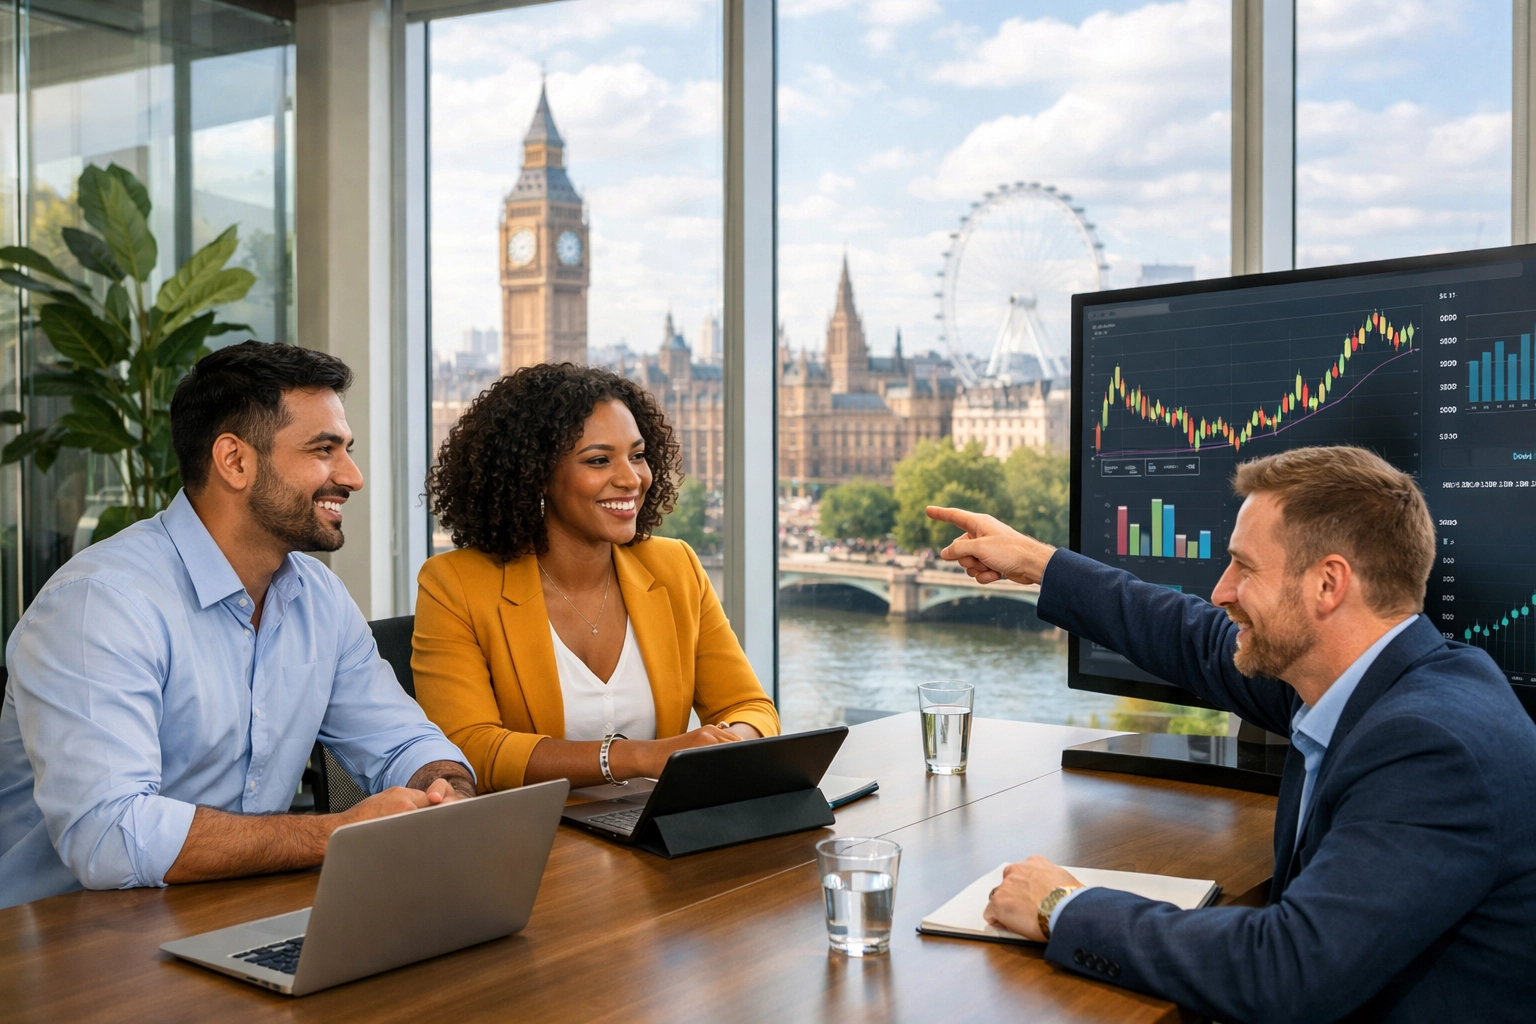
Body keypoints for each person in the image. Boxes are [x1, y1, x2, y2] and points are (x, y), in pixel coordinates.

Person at [928, 445, 1536, 1023]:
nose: (1221, 591)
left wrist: (1062, 907)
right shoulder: (1370, 679)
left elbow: (1286, 970)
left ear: (1328, 584)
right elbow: (1193, 639)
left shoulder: (1430, 748)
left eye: (1244, 567)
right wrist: (1036, 563)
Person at [0, 342, 475, 910]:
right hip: (72, 948)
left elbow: (405, 741)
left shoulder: (317, 597)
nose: (352, 476)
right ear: (235, 461)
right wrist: (338, 833)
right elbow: (109, 837)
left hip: (232, 917)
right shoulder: (99, 605)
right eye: (323, 450)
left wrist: (445, 791)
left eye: (346, 449)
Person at [413, 362, 779, 792]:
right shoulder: (453, 584)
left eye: (638, 455)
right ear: (536, 475)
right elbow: (471, 747)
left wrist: (729, 741)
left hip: (655, 833)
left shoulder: (675, 566)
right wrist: (637, 755)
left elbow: (751, 707)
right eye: (599, 460)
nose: (631, 479)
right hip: (538, 841)